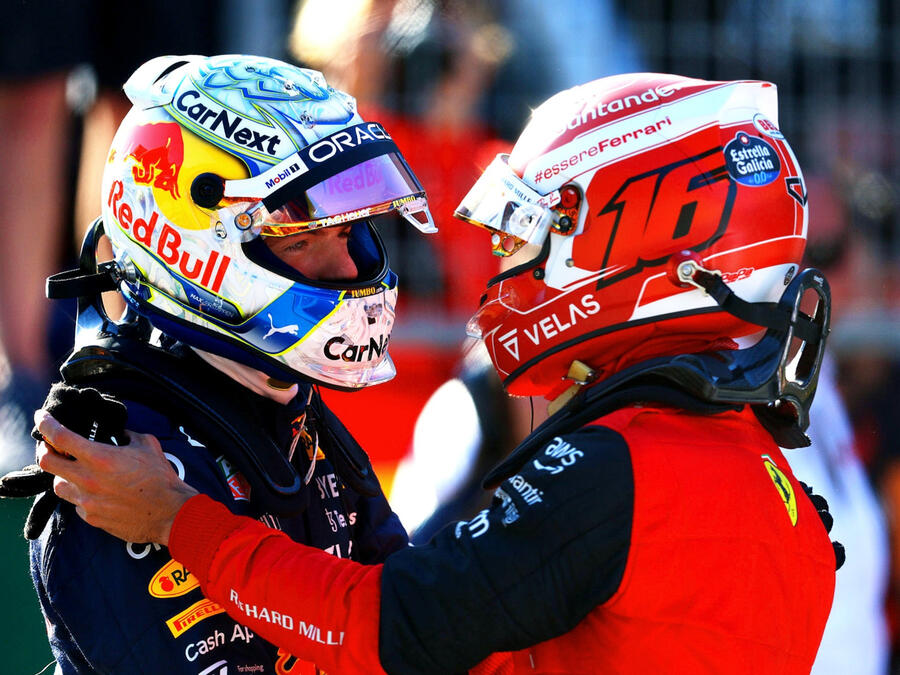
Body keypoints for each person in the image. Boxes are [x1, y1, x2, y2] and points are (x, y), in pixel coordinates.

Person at [36, 73, 841, 674]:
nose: (504, 273)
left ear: (638, 241)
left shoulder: (630, 470)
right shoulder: (780, 499)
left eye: (530, 236)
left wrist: (177, 516)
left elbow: (395, 627)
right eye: (318, 232)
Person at [9, 53, 439, 674]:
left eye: (351, 234)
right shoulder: (122, 460)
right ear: (192, 244)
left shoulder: (288, 408)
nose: (350, 271)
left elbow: (412, 626)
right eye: (304, 240)